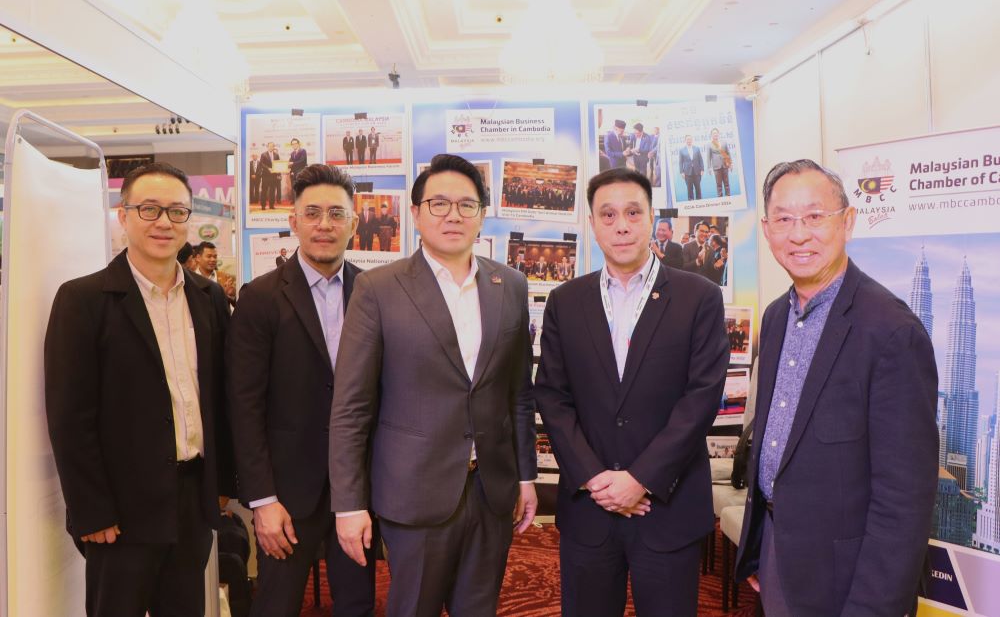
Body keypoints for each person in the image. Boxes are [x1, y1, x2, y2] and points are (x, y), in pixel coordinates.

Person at [330, 153, 538, 617]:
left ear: (482, 215)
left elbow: (519, 394)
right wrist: (348, 504)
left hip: (491, 491)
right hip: (413, 491)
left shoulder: (510, 284)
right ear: (416, 213)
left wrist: (526, 475)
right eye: (439, 203)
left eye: (466, 205)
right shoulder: (379, 289)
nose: (453, 215)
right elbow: (351, 406)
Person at [734, 160, 938, 616]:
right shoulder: (776, 316)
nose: (799, 234)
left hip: (850, 578)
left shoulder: (891, 332)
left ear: (847, 221)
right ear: (766, 230)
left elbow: (904, 499)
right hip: (778, 553)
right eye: (784, 219)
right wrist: (760, 548)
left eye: (815, 216)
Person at [533, 167, 729, 616]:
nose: (621, 225)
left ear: (652, 218)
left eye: (633, 212)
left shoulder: (699, 297)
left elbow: (700, 399)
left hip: (668, 507)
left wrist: (640, 479)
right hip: (590, 506)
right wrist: (595, 479)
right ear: (592, 223)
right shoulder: (565, 301)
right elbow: (553, 397)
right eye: (608, 214)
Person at [44, 162, 235, 616]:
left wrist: (222, 482)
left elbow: (220, 396)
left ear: (189, 220)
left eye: (176, 211)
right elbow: (69, 416)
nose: (164, 222)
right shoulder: (83, 299)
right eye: (149, 209)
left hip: (191, 500)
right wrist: (91, 510)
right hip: (120, 509)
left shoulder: (208, 297)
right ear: (123, 216)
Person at [228, 164, 375, 617]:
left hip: (359, 489)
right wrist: (263, 501)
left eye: (336, 213)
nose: (324, 224)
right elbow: (243, 405)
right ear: (294, 221)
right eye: (312, 213)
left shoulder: (373, 293)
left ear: (354, 223)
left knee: (358, 605)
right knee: (276, 605)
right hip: (287, 496)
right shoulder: (261, 297)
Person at [707, 128, 732, 197]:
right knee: (719, 185)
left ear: (718, 134)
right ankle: (720, 198)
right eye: (713, 133)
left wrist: (730, 164)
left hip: (725, 165)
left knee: (727, 183)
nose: (715, 134)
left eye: (716, 133)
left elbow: (728, 153)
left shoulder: (724, 142)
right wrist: (709, 168)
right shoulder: (709, 144)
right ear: (711, 135)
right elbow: (708, 157)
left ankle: (728, 197)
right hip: (716, 167)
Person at [678, 134, 704, 201]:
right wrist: (681, 172)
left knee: (698, 188)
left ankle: (699, 201)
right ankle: (691, 201)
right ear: (685, 140)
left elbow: (700, 159)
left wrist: (702, 169)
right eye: (687, 139)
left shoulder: (697, 148)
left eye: (690, 139)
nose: (689, 141)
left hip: (697, 172)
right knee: (689, 189)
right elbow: (680, 162)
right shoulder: (681, 150)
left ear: (692, 140)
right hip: (687, 173)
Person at [260, 142, 280, 210]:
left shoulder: (276, 155)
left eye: (272, 146)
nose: (271, 147)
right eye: (270, 146)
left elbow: (278, 164)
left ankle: (271, 205)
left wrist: (278, 174)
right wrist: (268, 168)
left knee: (272, 191)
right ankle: (263, 205)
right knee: (264, 191)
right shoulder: (263, 154)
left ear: (274, 147)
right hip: (265, 175)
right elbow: (261, 164)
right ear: (267, 147)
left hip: (273, 175)